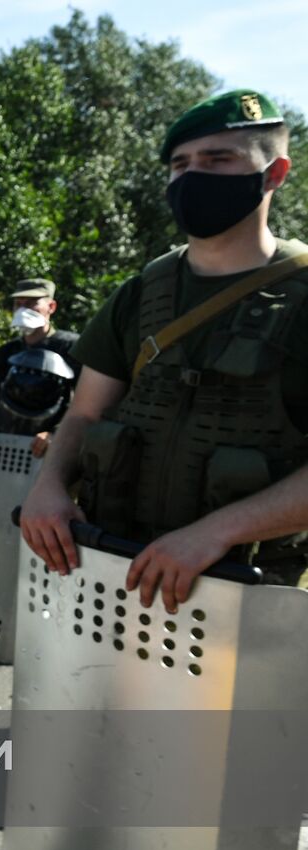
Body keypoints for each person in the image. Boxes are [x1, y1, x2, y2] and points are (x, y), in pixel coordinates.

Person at [22, 88, 308, 614]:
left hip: (243, 597)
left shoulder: (302, 297)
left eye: (218, 159)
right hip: (110, 577)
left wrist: (218, 531)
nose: (192, 175)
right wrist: (49, 486)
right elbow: (86, 413)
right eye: (180, 164)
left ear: (274, 173)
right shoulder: (140, 294)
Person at [0, 278, 80, 457]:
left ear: (51, 307)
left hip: (50, 454)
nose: (23, 310)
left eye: (31, 304)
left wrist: (56, 434)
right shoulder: (6, 353)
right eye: (18, 304)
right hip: (4, 449)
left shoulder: (72, 349)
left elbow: (84, 404)